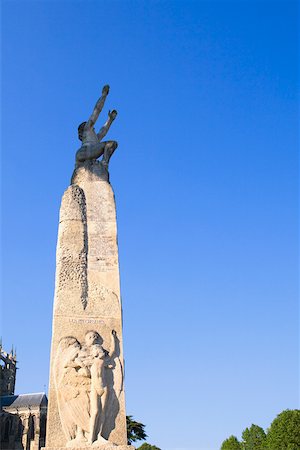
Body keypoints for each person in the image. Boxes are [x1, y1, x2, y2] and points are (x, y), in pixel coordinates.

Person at [75, 85, 118, 168]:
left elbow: (103, 131)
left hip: (89, 151)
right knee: (110, 144)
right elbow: (97, 110)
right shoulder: (87, 128)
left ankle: (101, 165)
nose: (94, 127)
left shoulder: (96, 138)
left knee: (112, 144)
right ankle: (104, 164)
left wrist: (110, 120)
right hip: (85, 151)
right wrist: (104, 95)